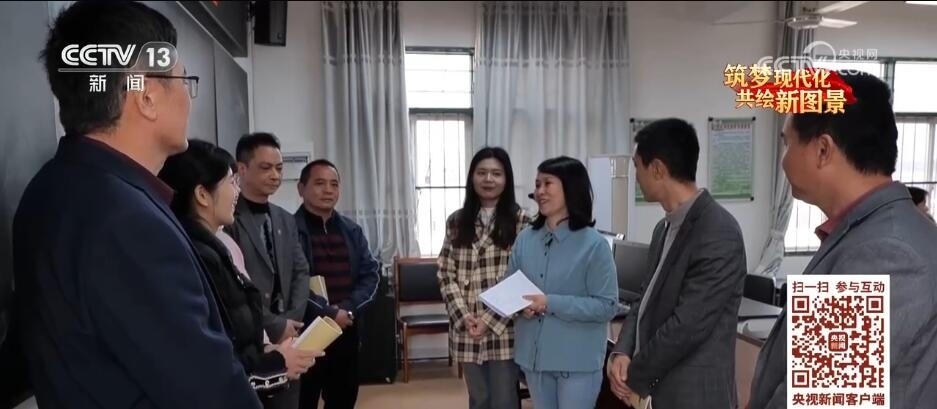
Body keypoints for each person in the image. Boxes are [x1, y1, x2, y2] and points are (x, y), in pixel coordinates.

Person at [11, 2, 261, 408]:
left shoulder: (50, 189)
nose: (189, 98)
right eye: (184, 80)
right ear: (146, 96)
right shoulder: (127, 222)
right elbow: (207, 392)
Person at [748, 72, 937, 409]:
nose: (784, 159)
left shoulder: (885, 252)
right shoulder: (870, 231)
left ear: (823, 150)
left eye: (788, 143)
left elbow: (817, 399)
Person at [158, 140, 323, 406]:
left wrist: (268, 348)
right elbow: (213, 355)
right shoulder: (197, 256)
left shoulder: (216, 245)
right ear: (202, 195)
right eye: (231, 182)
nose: (237, 190)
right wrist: (275, 362)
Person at [606, 118, 747, 408]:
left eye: (637, 166)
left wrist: (634, 374)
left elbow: (686, 327)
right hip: (659, 391)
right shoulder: (663, 228)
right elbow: (644, 299)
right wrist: (621, 351)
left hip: (694, 396)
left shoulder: (718, 230)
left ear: (658, 169)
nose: (636, 176)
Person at [507, 156, 619, 409]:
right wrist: (519, 306)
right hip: (534, 358)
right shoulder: (525, 239)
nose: (540, 191)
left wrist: (549, 303)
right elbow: (511, 287)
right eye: (537, 184)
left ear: (571, 188)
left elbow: (607, 306)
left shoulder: (594, 245)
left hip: (576, 361)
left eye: (548, 183)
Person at [437, 147, 530, 409]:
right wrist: (463, 315)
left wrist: (488, 320)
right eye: (482, 172)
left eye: (496, 173)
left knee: (504, 400)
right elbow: (445, 272)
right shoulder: (457, 221)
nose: (488, 179)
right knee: (479, 399)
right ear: (472, 177)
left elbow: (524, 278)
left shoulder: (522, 221)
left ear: (506, 179)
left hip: (504, 326)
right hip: (467, 326)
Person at [227, 132, 312, 409]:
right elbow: (233, 283)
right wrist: (274, 324)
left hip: (289, 332)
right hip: (251, 335)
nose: (275, 175)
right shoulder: (227, 217)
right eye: (266, 168)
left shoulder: (285, 218)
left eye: (279, 168)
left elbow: (301, 271)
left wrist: (291, 320)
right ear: (242, 169)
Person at [294, 159, 380, 409]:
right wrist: (328, 313)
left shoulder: (352, 231)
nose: (328, 190)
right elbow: (292, 284)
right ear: (301, 188)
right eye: (319, 183)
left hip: (346, 330)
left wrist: (348, 309)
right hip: (305, 332)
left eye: (334, 184)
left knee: (343, 399)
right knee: (303, 401)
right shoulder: (288, 230)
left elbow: (371, 275)